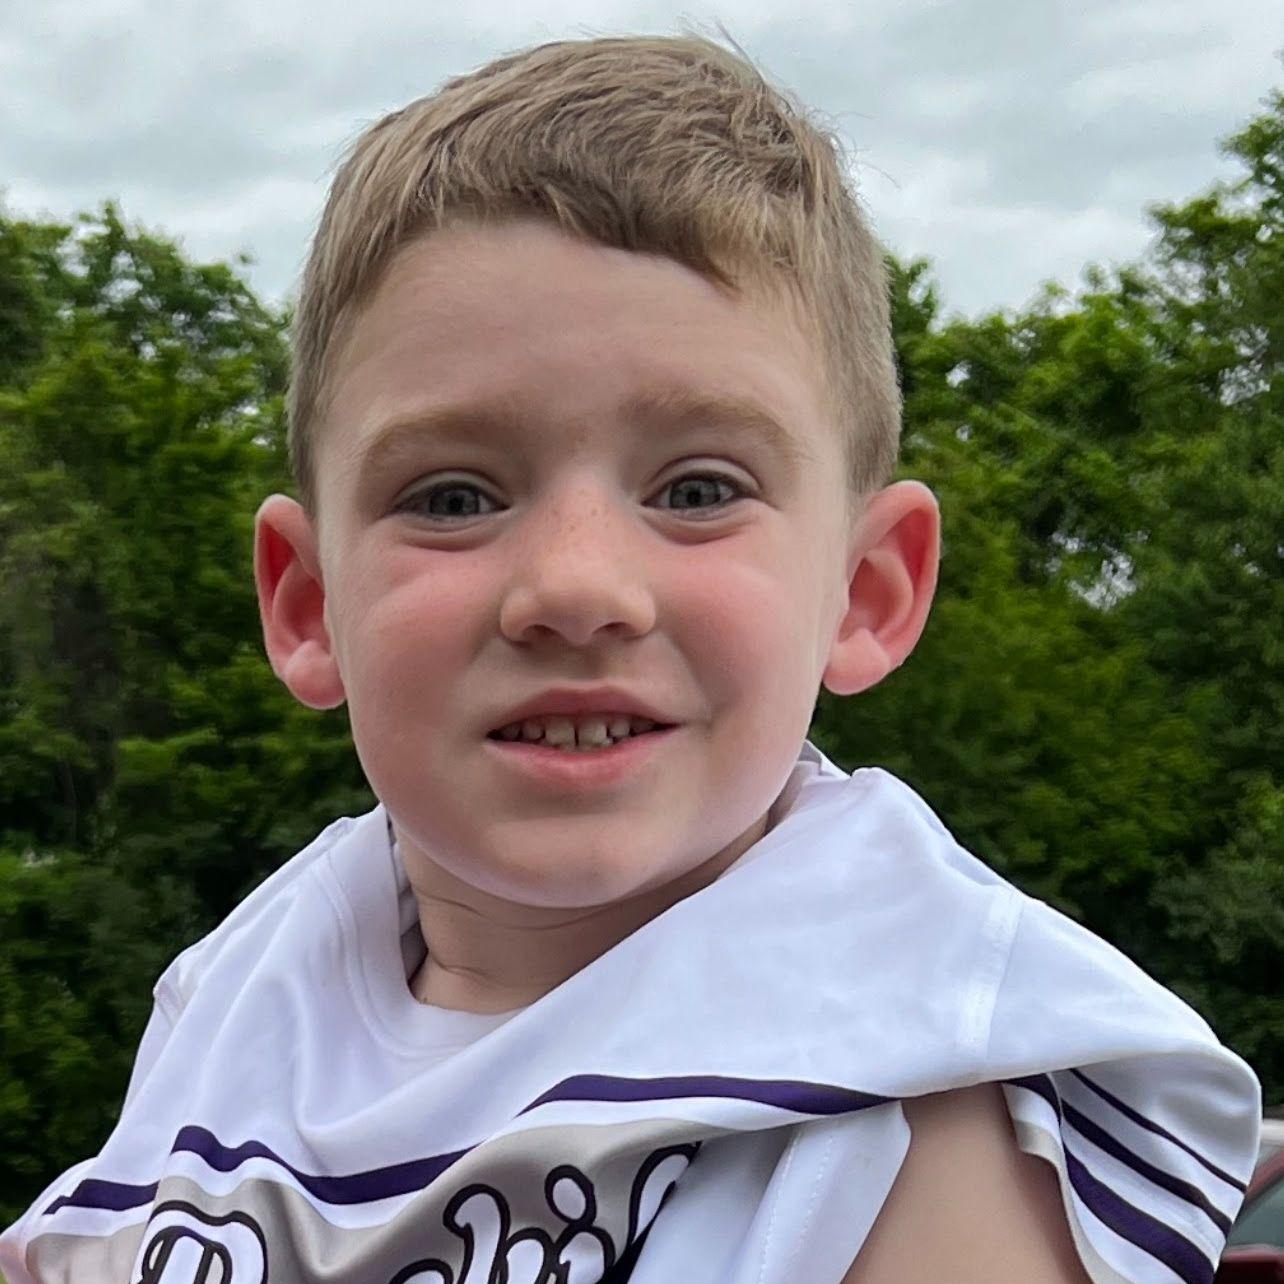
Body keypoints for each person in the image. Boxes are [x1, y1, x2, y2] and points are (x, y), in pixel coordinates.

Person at [0, 32, 1262, 1284]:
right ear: (308, 603)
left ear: (867, 592)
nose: (575, 589)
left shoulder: (925, 1094)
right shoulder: (236, 1005)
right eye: (451, 498)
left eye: (699, 489)